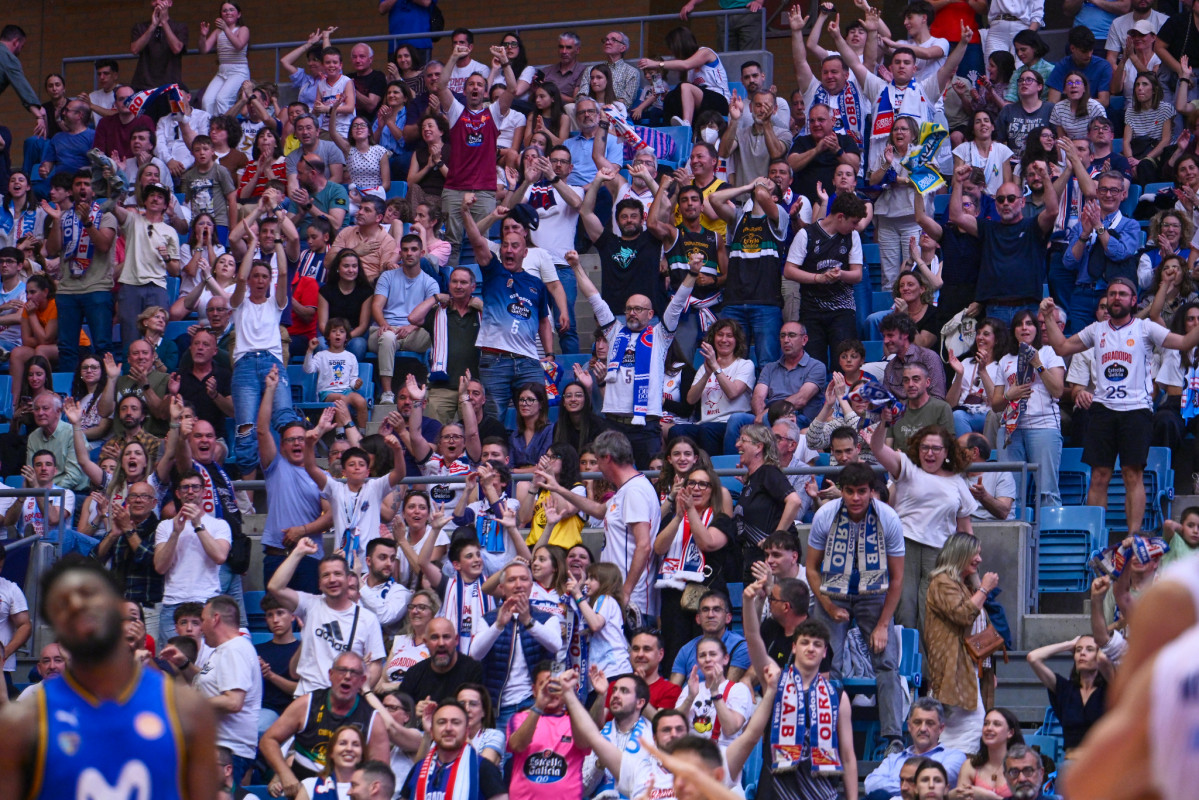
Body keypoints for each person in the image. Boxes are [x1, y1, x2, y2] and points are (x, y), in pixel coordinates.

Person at [0, 556, 216, 796]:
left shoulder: (186, 709)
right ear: (53, 622)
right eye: (64, 604)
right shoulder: (22, 722)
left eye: (91, 595)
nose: (79, 608)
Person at [1041, 284, 1199, 532]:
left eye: (1122, 294)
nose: (1116, 298)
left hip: (1136, 410)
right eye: (1112, 294)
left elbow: (1185, 341)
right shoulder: (1096, 329)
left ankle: (1133, 538)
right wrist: (1049, 317)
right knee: (1099, 476)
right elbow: (1061, 346)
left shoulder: (1145, 327)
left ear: (1134, 300)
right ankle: (1095, 538)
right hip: (1103, 409)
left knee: (1132, 475)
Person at [805, 461, 907, 754]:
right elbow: (811, 569)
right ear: (843, 493)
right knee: (825, 664)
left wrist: (883, 625)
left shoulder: (888, 518)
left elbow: (898, 578)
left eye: (862, 491)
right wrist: (827, 605)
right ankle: (825, 735)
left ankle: (893, 739)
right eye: (849, 491)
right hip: (832, 592)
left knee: (886, 662)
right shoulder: (825, 514)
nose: (856, 498)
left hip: (874, 592)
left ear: (872, 491)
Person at [872, 419, 977, 633]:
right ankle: (906, 665)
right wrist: (883, 421)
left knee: (932, 613)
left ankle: (930, 667)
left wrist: (974, 571)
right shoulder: (907, 468)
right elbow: (877, 448)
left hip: (940, 553)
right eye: (925, 447)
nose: (930, 453)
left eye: (936, 448)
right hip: (904, 547)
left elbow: (965, 530)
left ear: (946, 451)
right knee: (904, 610)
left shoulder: (957, 482)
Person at [537, 430, 661, 612]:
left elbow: (644, 545)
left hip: (632, 600)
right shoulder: (626, 489)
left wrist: (625, 593)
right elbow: (598, 510)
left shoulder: (635, 491)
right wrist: (559, 489)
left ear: (607, 458)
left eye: (597, 461)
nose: (596, 469)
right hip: (615, 594)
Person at [268, 538, 387, 696]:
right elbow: (274, 587)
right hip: (309, 696)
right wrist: (298, 551)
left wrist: (356, 694)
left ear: (348, 579)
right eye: (326, 575)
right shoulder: (309, 604)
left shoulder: (368, 619)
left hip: (344, 698)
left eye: (337, 574)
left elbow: (376, 665)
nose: (332, 579)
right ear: (319, 583)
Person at [949, 162, 1058, 326]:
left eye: (1011, 198)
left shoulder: (1033, 226)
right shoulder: (988, 228)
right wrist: (957, 182)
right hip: (995, 309)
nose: (1005, 203)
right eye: (1000, 199)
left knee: (1027, 353)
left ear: (1022, 202)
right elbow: (956, 216)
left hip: (1028, 308)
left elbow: (1053, 211)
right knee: (998, 352)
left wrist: (1045, 178)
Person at [260, 652, 392, 788]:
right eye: (342, 670)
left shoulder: (373, 719)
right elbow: (268, 740)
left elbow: (381, 776)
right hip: (302, 791)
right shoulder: (306, 704)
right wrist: (285, 775)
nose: (347, 676)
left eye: (354, 672)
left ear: (362, 681)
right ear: (330, 674)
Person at [923, 533, 997, 752]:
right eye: (975, 554)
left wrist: (989, 670)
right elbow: (963, 615)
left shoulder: (962, 586)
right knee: (968, 733)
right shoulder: (941, 583)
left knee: (971, 733)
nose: (980, 559)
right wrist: (983, 589)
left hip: (970, 673)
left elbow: (978, 630)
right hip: (953, 672)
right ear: (960, 554)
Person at [468, 560, 563, 729]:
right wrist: (498, 626)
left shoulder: (547, 618)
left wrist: (528, 621)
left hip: (535, 704)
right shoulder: (488, 620)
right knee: (501, 756)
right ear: (502, 588)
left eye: (524, 579)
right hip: (500, 706)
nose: (519, 585)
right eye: (512, 580)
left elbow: (555, 645)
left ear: (531, 585)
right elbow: (475, 654)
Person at [42, 170, 117, 375]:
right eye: (78, 184)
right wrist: (56, 221)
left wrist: (88, 223)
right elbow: (52, 249)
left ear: (93, 190)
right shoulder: (63, 216)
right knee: (67, 348)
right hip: (67, 290)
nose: (82, 187)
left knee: (102, 346)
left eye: (86, 183)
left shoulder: (106, 215)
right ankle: (69, 394)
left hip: (97, 288)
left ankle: (104, 392)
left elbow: (103, 245)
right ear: (72, 190)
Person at [193, 594, 261, 785]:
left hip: (227, 752)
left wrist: (190, 704)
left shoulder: (235, 649)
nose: (201, 628)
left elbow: (233, 701)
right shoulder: (223, 650)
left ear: (215, 619)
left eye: (203, 621)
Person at [506, 662, 592, 799]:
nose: (550, 691)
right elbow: (517, 745)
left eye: (556, 685)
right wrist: (539, 705)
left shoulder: (577, 721)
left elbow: (584, 744)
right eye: (544, 685)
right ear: (534, 690)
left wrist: (569, 697)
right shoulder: (520, 718)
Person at [399, 700, 507, 800]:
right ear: (431, 731)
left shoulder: (483, 768)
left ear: (466, 731)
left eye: (455, 722)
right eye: (442, 722)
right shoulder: (418, 768)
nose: (448, 728)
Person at [864, 698, 968, 799]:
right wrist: (918, 786)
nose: (923, 729)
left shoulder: (954, 757)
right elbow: (870, 785)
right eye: (917, 722)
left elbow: (934, 786)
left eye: (930, 723)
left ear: (941, 728)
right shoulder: (894, 759)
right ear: (909, 726)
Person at [1026, 635, 1111, 752]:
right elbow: (1033, 658)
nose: (1082, 653)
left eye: (1089, 649)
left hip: (1103, 760)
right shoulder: (1065, 689)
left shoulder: (1109, 688)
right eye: (1078, 650)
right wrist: (1069, 644)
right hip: (1072, 762)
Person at [669, 591, 749, 685]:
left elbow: (727, 689)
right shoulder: (686, 650)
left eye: (717, 609)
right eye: (705, 610)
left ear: (728, 618)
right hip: (689, 698)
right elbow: (673, 691)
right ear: (698, 618)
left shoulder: (740, 646)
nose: (710, 615)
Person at [398, 617, 485, 702]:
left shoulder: (472, 670)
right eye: (435, 637)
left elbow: (477, 710)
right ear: (426, 642)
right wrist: (414, 711)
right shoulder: (413, 674)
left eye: (446, 637)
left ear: (456, 640)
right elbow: (402, 711)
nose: (441, 643)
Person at [955, 707, 1025, 799]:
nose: (989, 728)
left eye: (996, 724)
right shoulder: (969, 766)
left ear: (1010, 733)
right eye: (986, 724)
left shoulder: (1022, 767)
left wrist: (988, 797)